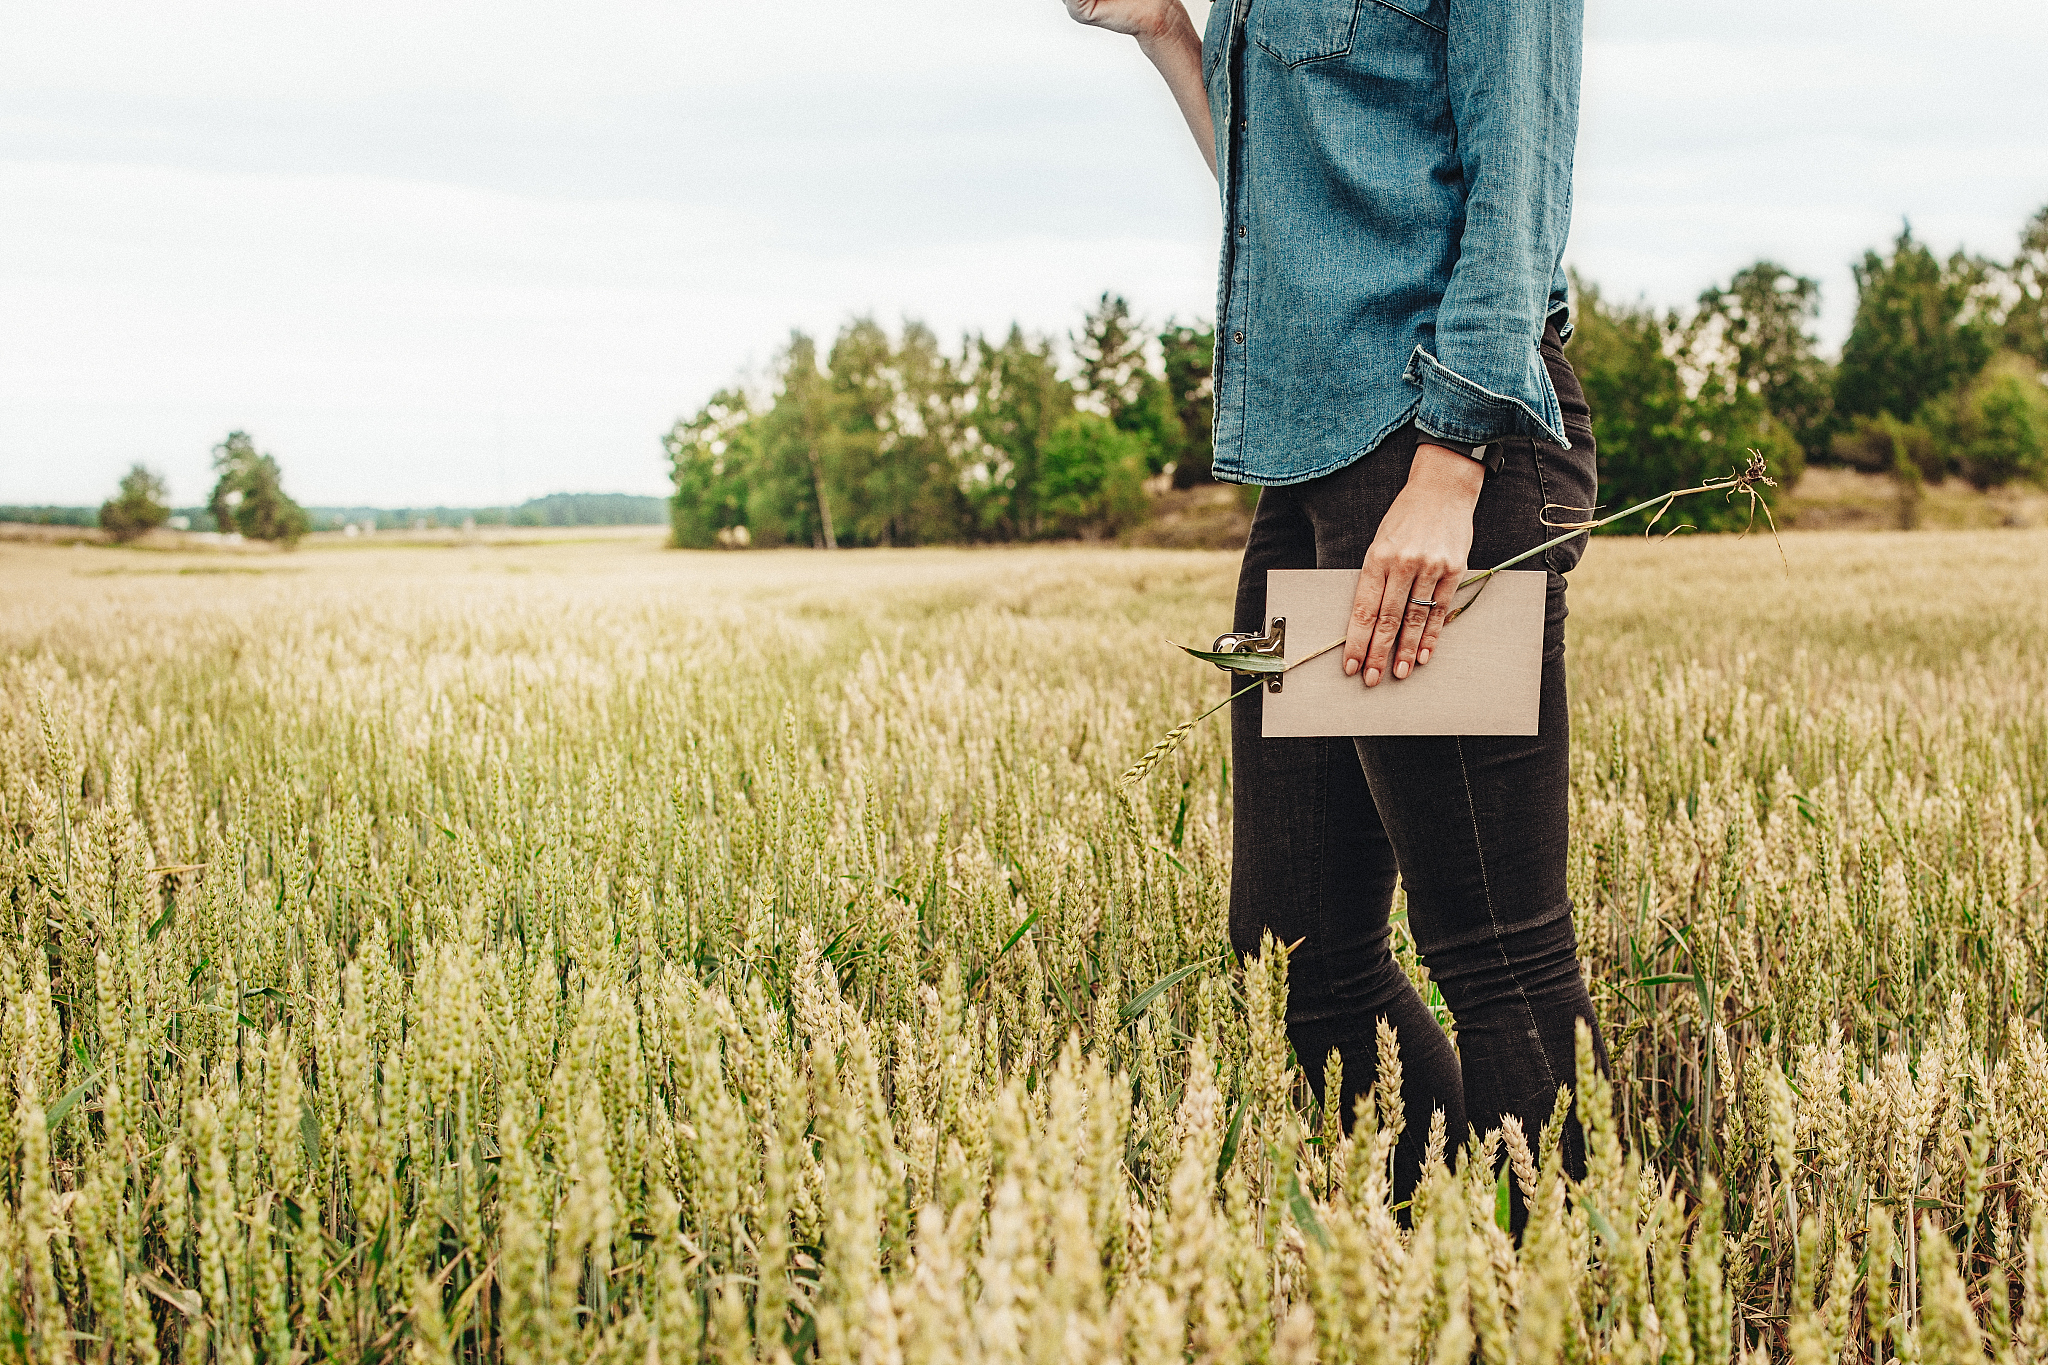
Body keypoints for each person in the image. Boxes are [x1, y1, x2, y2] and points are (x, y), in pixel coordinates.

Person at [1064, 0, 1607, 1215]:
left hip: (1433, 449)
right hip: (1310, 462)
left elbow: (1519, 191)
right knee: (1295, 952)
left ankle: (1571, 1292)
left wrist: (1450, 466)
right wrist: (1168, 36)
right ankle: (1455, 1255)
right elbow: (1289, 215)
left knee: (1499, 956)